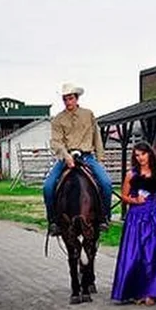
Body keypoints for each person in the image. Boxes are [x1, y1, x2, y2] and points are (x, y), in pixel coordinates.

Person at [44, 82, 113, 234]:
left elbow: (96, 136)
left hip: (86, 156)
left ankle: (104, 217)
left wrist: (100, 157)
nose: (68, 102)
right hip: (66, 157)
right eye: (65, 99)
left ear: (76, 98)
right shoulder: (58, 119)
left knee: (106, 183)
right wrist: (66, 156)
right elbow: (56, 141)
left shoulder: (88, 114)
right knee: (48, 186)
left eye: (70, 98)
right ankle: (53, 221)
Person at [111, 143, 156, 305]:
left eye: (143, 154)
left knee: (154, 253)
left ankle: (153, 292)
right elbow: (123, 196)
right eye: (137, 155)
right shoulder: (131, 174)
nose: (140, 158)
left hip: (154, 217)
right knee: (135, 253)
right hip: (136, 219)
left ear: (150, 154)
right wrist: (135, 200)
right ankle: (136, 291)